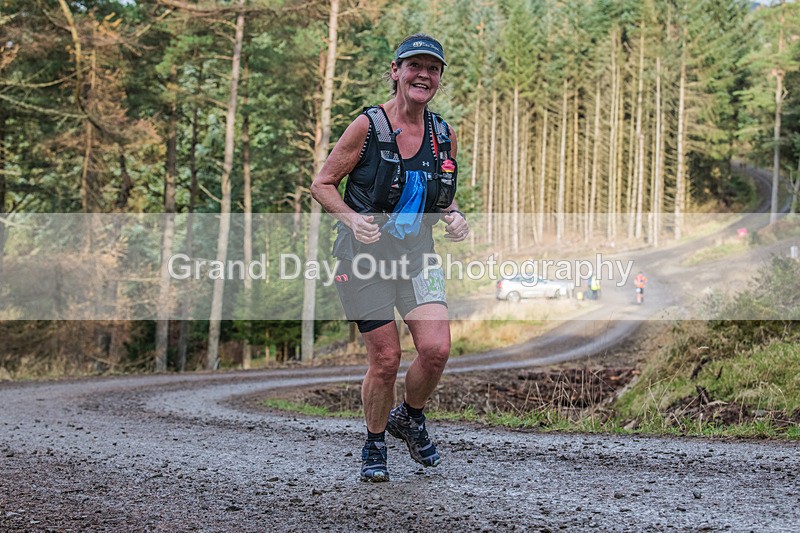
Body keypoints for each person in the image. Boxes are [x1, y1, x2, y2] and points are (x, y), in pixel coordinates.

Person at [310, 34, 469, 482]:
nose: (424, 75)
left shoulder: (442, 134)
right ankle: (375, 442)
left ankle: (409, 417)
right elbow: (322, 184)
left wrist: (455, 218)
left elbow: (442, 199)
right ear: (396, 71)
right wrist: (349, 218)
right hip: (362, 261)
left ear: (438, 78)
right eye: (414, 66)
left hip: (417, 257)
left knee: (436, 350)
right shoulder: (368, 127)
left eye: (432, 68)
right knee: (385, 359)